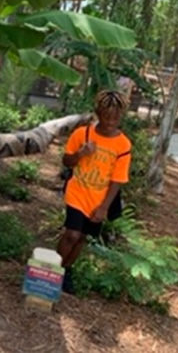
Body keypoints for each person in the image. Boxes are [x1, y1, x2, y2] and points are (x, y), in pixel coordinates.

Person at [57, 89, 132, 294]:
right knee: (72, 234)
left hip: (98, 200)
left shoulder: (123, 145)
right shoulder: (82, 134)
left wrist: (104, 207)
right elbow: (67, 161)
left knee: (82, 238)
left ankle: (66, 271)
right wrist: (81, 153)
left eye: (115, 117)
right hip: (77, 192)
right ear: (98, 113)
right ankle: (53, 270)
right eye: (106, 116)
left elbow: (117, 180)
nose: (110, 122)